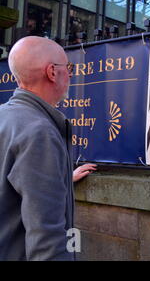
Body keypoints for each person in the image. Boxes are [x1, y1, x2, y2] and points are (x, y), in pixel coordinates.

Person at [0, 36, 96, 260]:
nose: (70, 74)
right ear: (52, 72)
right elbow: (48, 239)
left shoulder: (6, 117)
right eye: (68, 67)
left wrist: (58, 177)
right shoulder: (39, 132)